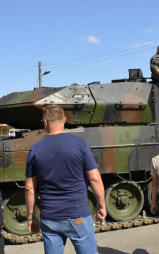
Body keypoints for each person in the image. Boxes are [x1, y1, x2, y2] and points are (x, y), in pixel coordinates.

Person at [25, 105, 106, 254]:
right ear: (64, 120)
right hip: (78, 215)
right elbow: (94, 179)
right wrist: (101, 206)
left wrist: (31, 217)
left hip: (50, 218)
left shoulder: (35, 149)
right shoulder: (80, 143)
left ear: (45, 122)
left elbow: (30, 188)